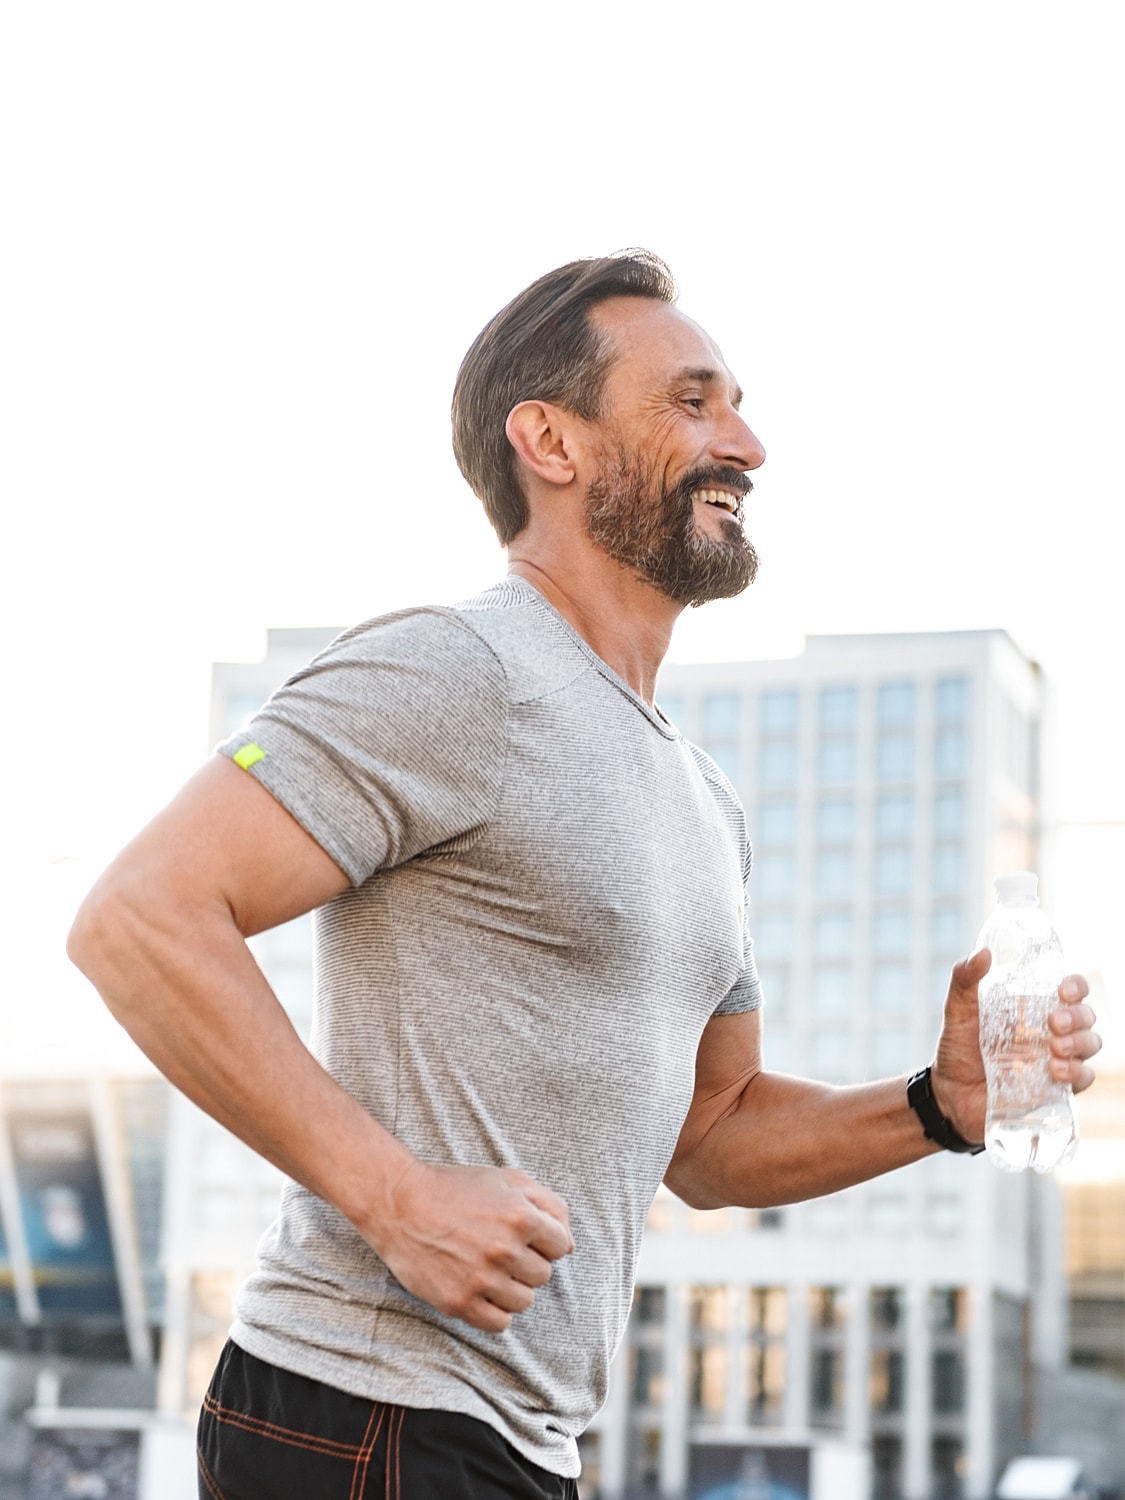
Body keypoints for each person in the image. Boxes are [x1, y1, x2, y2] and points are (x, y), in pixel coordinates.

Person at [67, 251, 1101, 1500]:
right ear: (550, 441)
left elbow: (710, 1141)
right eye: (692, 401)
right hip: (365, 1410)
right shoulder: (453, 670)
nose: (749, 443)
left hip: (521, 1445)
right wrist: (392, 1196)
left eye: (737, 404)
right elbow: (138, 919)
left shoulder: (703, 800)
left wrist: (936, 1106)